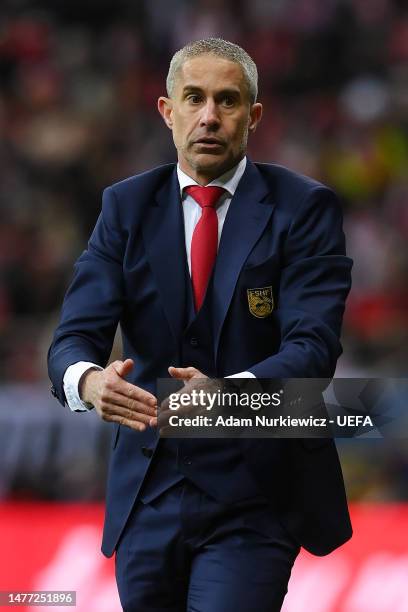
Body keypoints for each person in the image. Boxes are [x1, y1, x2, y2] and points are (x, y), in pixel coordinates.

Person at [48, 38, 353, 612]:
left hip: (256, 492)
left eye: (227, 100)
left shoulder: (304, 209)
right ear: (168, 110)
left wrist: (229, 397)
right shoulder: (125, 207)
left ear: (253, 116)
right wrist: (89, 381)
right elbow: (71, 341)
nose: (209, 116)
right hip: (147, 496)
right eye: (194, 98)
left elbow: (313, 348)